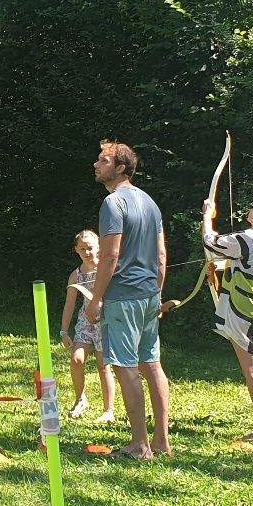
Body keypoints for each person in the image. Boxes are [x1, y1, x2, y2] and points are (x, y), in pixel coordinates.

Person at [85, 141, 170, 461]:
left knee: (125, 367)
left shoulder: (113, 203)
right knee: (152, 364)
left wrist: (96, 299)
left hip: (123, 298)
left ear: (120, 168)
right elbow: (161, 256)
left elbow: (110, 255)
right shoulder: (149, 202)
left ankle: (140, 445)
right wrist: (157, 292)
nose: (96, 164)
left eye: (103, 160)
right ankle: (162, 442)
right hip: (149, 296)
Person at [201, 192, 253, 442]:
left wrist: (207, 216)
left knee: (252, 370)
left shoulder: (248, 239)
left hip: (245, 310)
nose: (249, 210)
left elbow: (210, 242)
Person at [60, 230, 115, 423]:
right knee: (76, 359)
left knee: (104, 366)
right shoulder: (76, 276)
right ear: (76, 250)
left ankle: (109, 410)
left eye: (90, 247)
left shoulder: (108, 269)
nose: (87, 252)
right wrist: (64, 331)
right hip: (85, 324)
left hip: (105, 322)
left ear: (99, 246)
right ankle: (80, 399)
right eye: (82, 248)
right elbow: (69, 304)